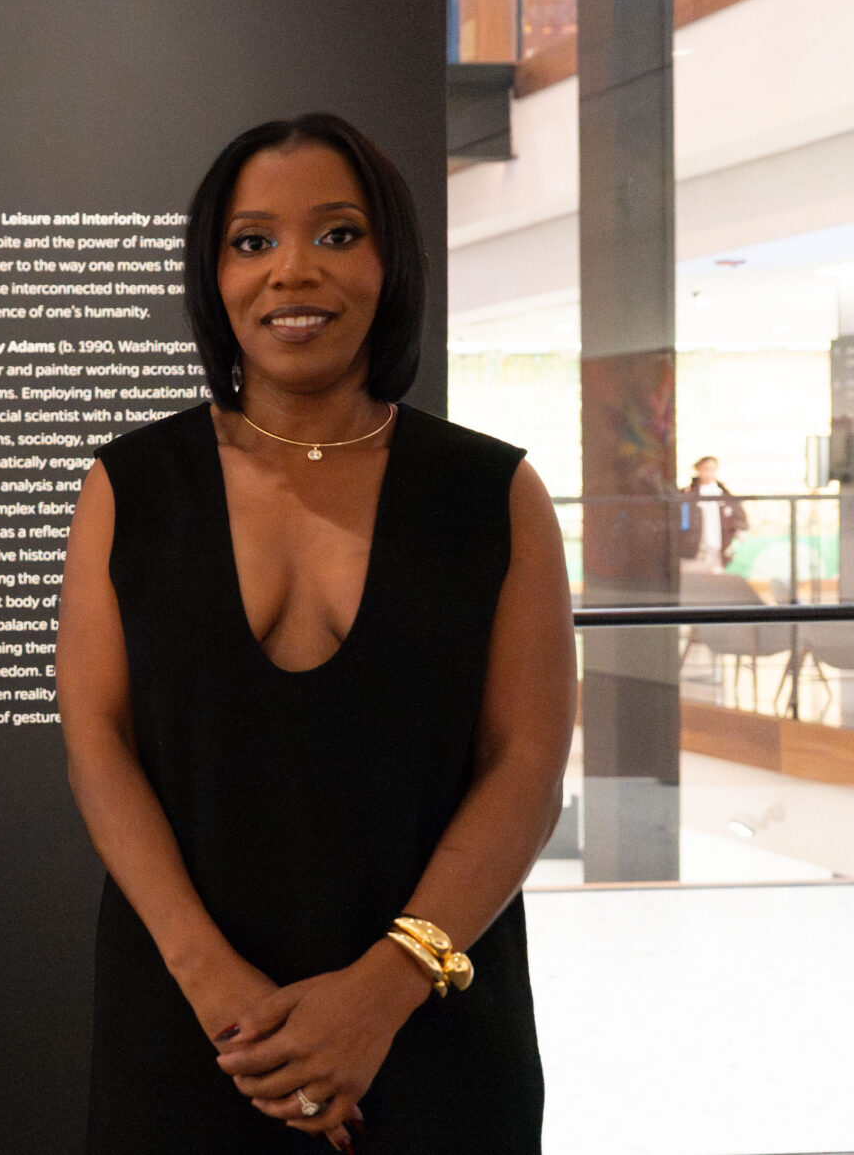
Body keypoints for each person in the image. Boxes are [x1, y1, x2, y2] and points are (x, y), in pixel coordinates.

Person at [57, 113, 575, 1152]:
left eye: (336, 234)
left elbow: (524, 765)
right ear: (213, 276)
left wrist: (380, 995)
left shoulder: (492, 490)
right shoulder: (129, 486)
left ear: (390, 262)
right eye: (253, 242)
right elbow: (97, 744)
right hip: (195, 1029)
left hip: (432, 1023)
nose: (293, 272)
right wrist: (224, 1000)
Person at [678, 456, 748, 574]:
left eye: (713, 469)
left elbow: (739, 518)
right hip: (694, 552)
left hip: (717, 551)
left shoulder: (724, 495)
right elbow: (682, 520)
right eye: (705, 469)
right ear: (698, 470)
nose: (709, 473)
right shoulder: (688, 495)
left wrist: (739, 532)